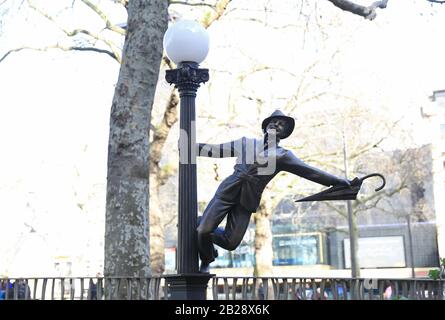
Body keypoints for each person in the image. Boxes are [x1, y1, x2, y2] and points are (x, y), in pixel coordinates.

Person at [196, 110, 351, 273]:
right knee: (203, 230)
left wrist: (339, 181)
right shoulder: (245, 143)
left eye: (281, 124)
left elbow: (310, 172)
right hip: (228, 191)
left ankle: (200, 221)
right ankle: (207, 258)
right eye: (274, 121)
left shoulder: (283, 155)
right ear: (265, 126)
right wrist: (191, 147)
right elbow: (214, 150)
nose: (277, 124)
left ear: (284, 133)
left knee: (230, 243)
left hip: (247, 200)